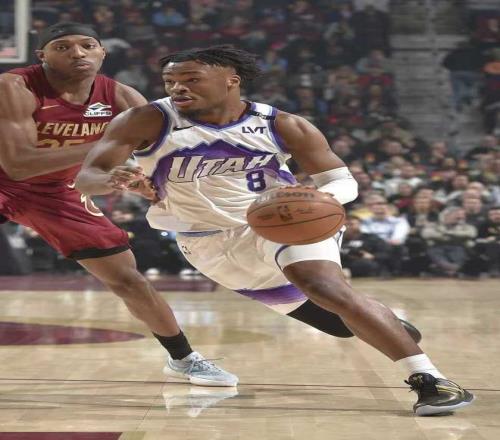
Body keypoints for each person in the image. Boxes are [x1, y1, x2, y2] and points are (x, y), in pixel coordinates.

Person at [75, 45, 474, 416]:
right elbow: (87, 176)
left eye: (191, 79)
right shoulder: (146, 119)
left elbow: (342, 179)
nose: (178, 88)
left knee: (324, 286)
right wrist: (113, 180)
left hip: (282, 222)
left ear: (231, 80)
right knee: (337, 323)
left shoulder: (281, 124)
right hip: (204, 241)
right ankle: (381, 324)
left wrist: (322, 199)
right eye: (170, 81)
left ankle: (431, 380)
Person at [0, 23, 236, 387]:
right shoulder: (14, 87)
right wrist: (108, 147)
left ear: (102, 52)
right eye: (62, 47)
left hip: (55, 191)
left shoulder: (123, 98)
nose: (77, 53)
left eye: (87, 45)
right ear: (42, 56)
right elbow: (18, 164)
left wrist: (140, 181)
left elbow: (153, 155)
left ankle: (184, 359)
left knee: (127, 278)